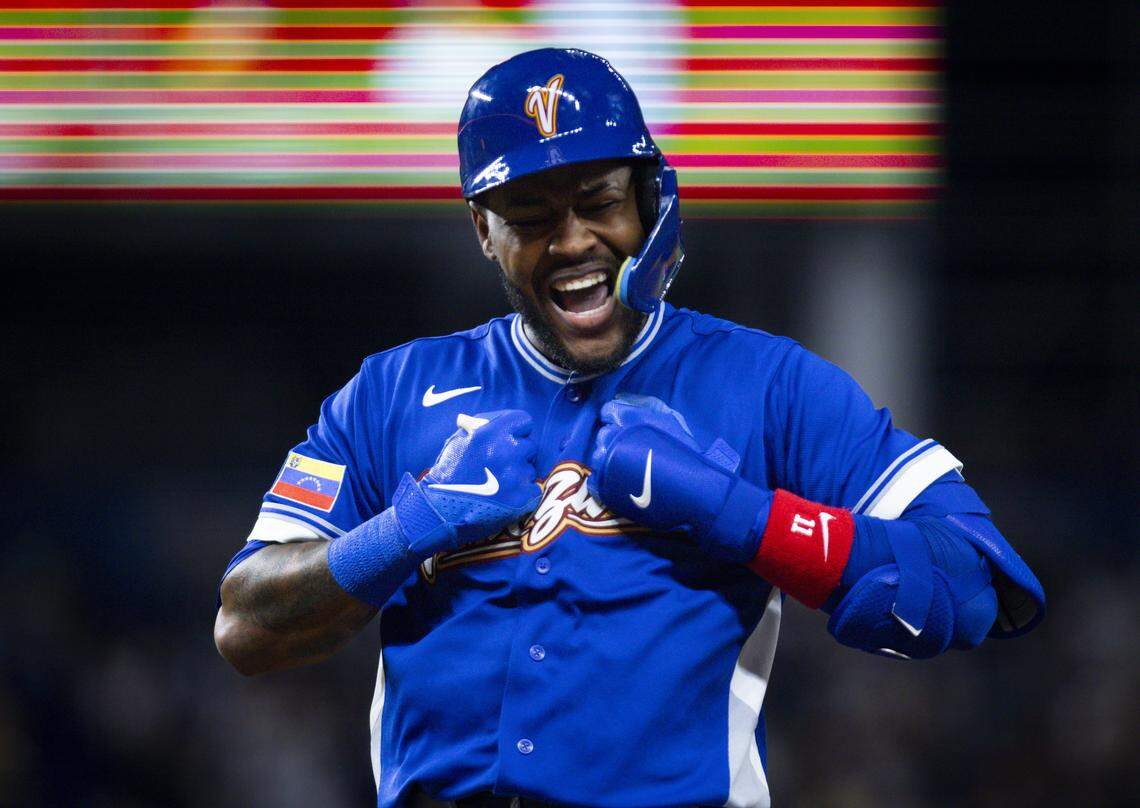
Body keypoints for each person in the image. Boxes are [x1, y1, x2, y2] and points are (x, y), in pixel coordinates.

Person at [214, 48, 1044, 808]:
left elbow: (973, 583)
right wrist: (407, 525)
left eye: (599, 202)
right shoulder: (391, 392)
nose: (573, 240)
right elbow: (246, 626)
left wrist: (740, 515)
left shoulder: (767, 383)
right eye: (531, 216)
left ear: (650, 201)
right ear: (483, 231)